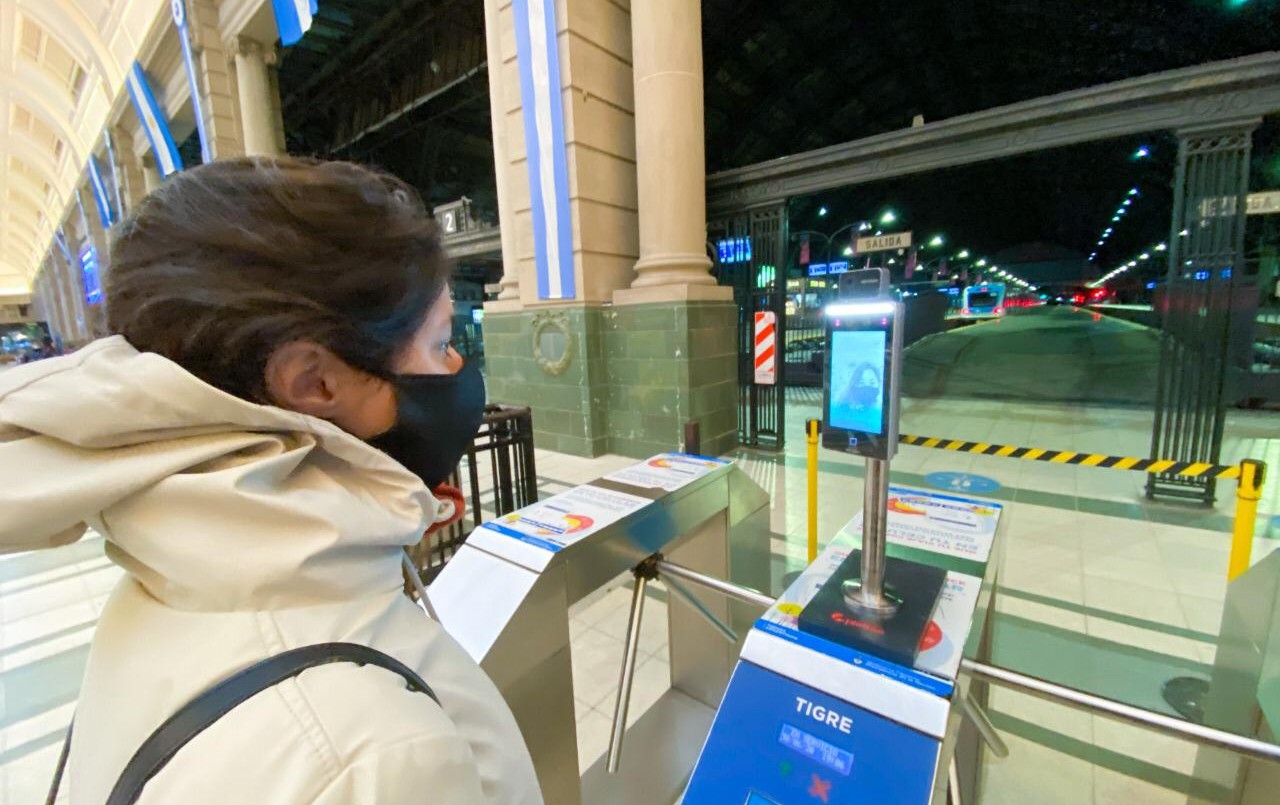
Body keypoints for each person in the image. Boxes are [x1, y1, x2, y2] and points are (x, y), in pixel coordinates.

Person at [0, 157, 542, 804]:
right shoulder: (372, 756)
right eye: (438, 342)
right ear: (314, 380)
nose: (456, 367)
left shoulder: (173, 583)